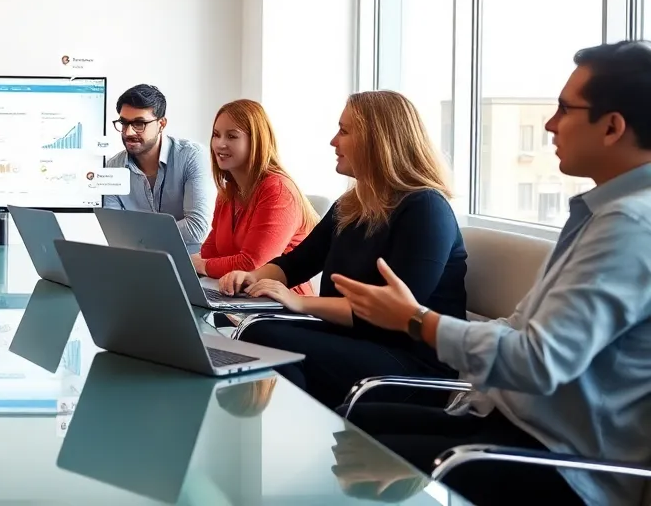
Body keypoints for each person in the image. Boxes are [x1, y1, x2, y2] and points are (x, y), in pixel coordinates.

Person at [336, 41, 651, 506]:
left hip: (561, 463)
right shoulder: (602, 215)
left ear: (612, 127)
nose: (550, 124)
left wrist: (417, 320)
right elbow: (522, 326)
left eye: (565, 109)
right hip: (508, 420)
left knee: (362, 454)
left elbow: (539, 361)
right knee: (356, 421)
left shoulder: (631, 226)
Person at [218, 90, 468, 409]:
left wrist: (301, 302)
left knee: (267, 338)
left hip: (408, 364)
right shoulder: (351, 205)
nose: (333, 141)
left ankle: (284, 428)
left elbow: (391, 311)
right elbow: (297, 262)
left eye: (344, 131)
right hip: (354, 342)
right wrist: (252, 277)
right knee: (253, 329)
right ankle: (286, 428)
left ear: (378, 141)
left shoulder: (426, 209)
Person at [193, 99, 317, 296]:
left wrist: (202, 265)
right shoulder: (228, 191)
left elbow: (253, 264)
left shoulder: (277, 189)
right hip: (237, 293)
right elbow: (210, 252)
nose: (219, 144)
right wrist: (194, 263)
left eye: (232, 136)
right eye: (216, 135)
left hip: (281, 299)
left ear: (256, 141)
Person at [102, 84, 215, 245]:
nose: (128, 132)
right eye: (124, 123)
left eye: (139, 124)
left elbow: (196, 228)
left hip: (188, 259)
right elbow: (113, 230)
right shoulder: (113, 167)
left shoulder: (191, 156)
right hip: (136, 257)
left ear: (161, 124)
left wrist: (139, 238)